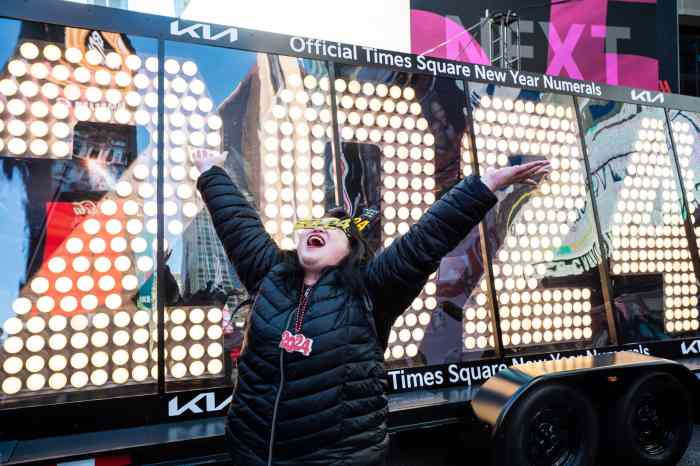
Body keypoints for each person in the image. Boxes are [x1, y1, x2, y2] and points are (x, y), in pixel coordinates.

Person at [193, 148, 550, 466]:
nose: (317, 229)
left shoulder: (370, 291)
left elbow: (425, 238)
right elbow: (238, 224)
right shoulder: (270, 276)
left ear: (350, 251)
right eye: (313, 226)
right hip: (251, 453)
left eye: (333, 228)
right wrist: (211, 171)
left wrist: (484, 185)